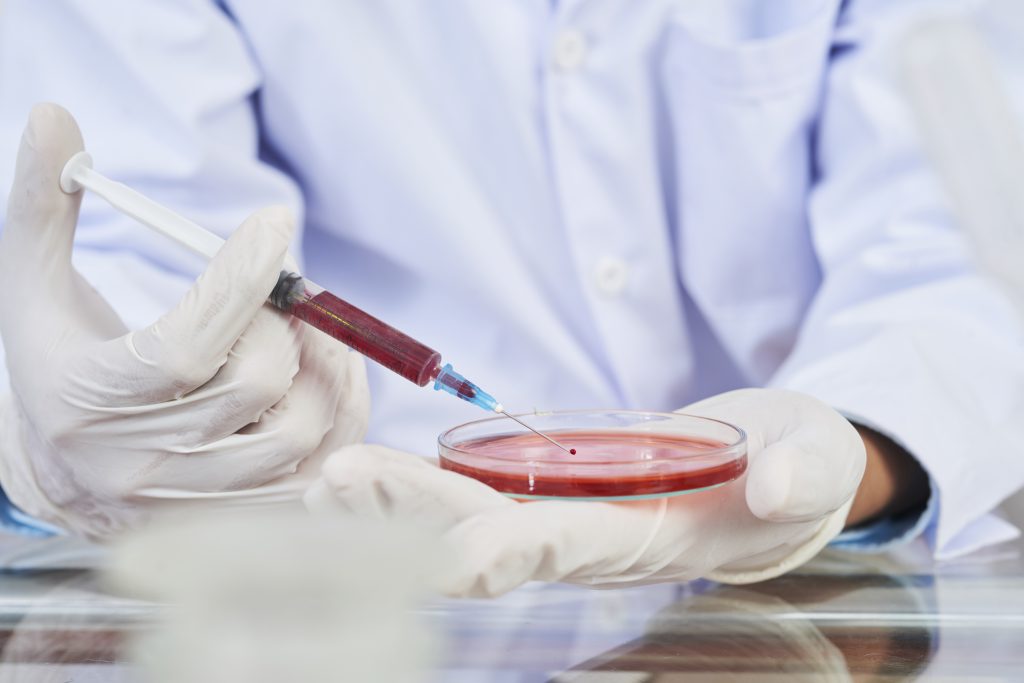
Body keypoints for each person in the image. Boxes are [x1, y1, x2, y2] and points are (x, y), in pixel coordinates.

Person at [0, 1, 1022, 596]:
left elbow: (966, 238)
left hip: (816, 593)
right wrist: (95, 411)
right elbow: (143, 253)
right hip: (345, 579)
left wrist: (849, 451)